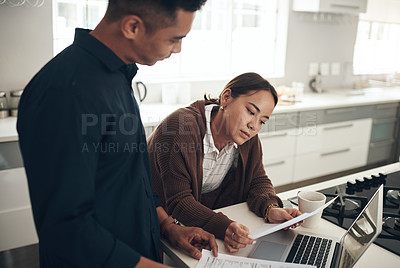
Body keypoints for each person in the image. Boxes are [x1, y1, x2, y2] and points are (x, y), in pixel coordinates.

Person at [17, 0, 218, 267]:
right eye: (174, 39)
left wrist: (168, 227)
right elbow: (66, 228)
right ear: (132, 26)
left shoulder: (117, 76)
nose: (178, 49)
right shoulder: (65, 92)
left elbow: (132, 178)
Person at [148, 72, 302, 253]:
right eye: (251, 112)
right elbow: (179, 201)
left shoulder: (246, 136)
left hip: (195, 221)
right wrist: (224, 226)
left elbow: (257, 179)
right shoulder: (180, 129)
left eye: (262, 121)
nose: (254, 125)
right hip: (155, 217)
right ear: (226, 97)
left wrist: (270, 208)